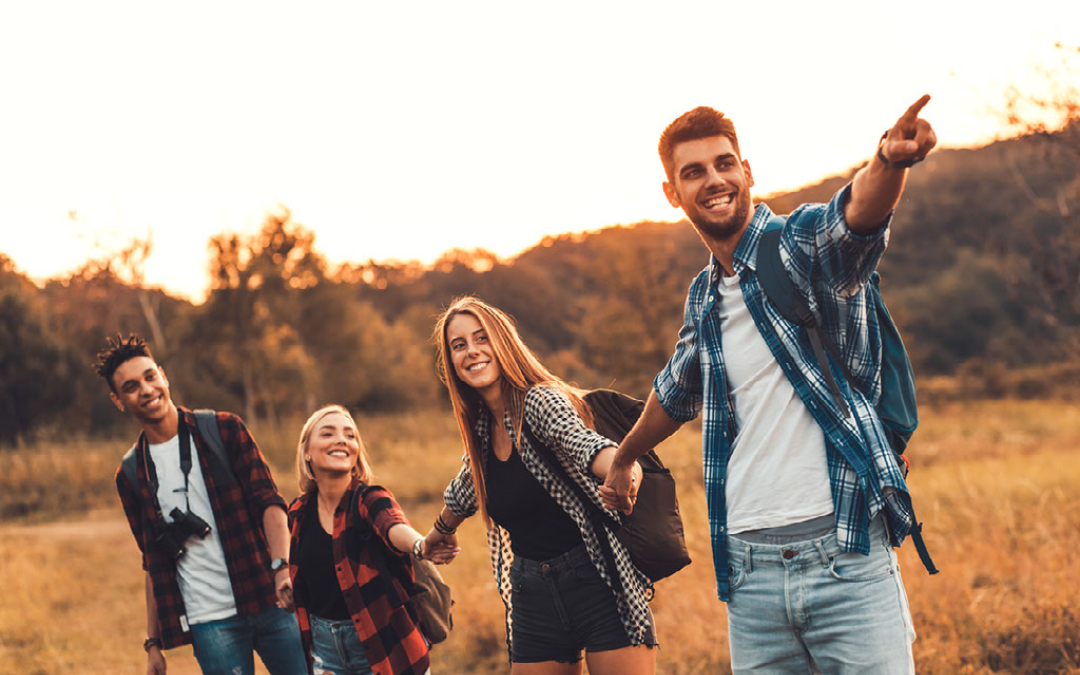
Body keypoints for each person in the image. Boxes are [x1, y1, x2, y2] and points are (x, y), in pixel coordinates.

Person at [602, 97, 938, 674]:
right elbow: (674, 391)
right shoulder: (704, 297)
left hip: (846, 559)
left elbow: (855, 215)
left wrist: (889, 159)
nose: (714, 180)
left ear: (747, 171)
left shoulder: (801, 245)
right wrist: (625, 458)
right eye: (694, 172)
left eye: (724, 163)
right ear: (672, 194)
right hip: (750, 576)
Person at [421, 296, 656, 675]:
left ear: (504, 342)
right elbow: (467, 488)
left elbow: (584, 444)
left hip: (597, 579)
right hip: (531, 591)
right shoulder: (482, 427)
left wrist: (622, 466)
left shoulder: (540, 402)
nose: (472, 351)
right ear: (451, 362)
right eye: (459, 345)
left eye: (482, 338)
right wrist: (438, 533)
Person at [95, 333, 307, 675]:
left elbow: (269, 504)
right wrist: (153, 644)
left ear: (163, 375)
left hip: (271, 598)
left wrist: (281, 568)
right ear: (118, 400)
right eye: (131, 386)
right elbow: (152, 559)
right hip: (209, 621)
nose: (147, 390)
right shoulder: (131, 473)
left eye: (150, 377)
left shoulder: (223, 430)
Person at [288, 404, 454, 675]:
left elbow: (391, 525)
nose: (342, 439)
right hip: (324, 652)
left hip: (385, 643)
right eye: (328, 433)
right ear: (306, 451)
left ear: (356, 453)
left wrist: (420, 545)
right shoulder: (298, 512)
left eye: (350, 435)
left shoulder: (369, 498)